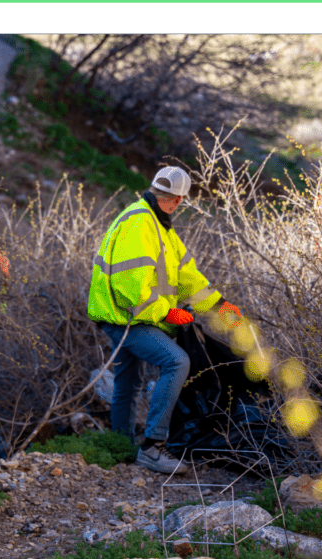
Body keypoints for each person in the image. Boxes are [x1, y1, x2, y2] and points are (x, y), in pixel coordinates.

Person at [87, 166, 243, 474]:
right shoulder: (140, 224)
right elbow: (130, 287)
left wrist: (220, 305)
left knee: (128, 383)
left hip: (126, 318)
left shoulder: (160, 228)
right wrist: (166, 312)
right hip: (126, 319)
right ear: (177, 199)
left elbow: (188, 279)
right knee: (176, 362)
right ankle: (153, 447)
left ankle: (121, 447)